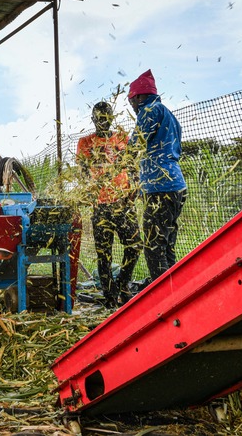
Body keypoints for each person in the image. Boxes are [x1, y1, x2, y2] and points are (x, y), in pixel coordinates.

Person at [76, 101, 141, 308]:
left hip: (123, 203)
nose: (103, 121)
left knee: (135, 245)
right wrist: (90, 190)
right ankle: (110, 296)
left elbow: (132, 166)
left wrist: (136, 186)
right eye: (99, 118)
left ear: (112, 118)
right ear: (93, 119)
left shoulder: (122, 138)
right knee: (104, 253)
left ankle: (122, 283)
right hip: (101, 205)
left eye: (106, 118)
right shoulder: (86, 142)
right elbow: (83, 172)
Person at [128, 69, 187, 281]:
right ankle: (176, 293)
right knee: (166, 245)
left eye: (132, 102)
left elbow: (136, 144)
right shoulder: (168, 114)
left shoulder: (149, 110)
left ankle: (161, 301)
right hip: (176, 185)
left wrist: (121, 160)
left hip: (160, 187)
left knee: (153, 248)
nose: (132, 108)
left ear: (139, 97)